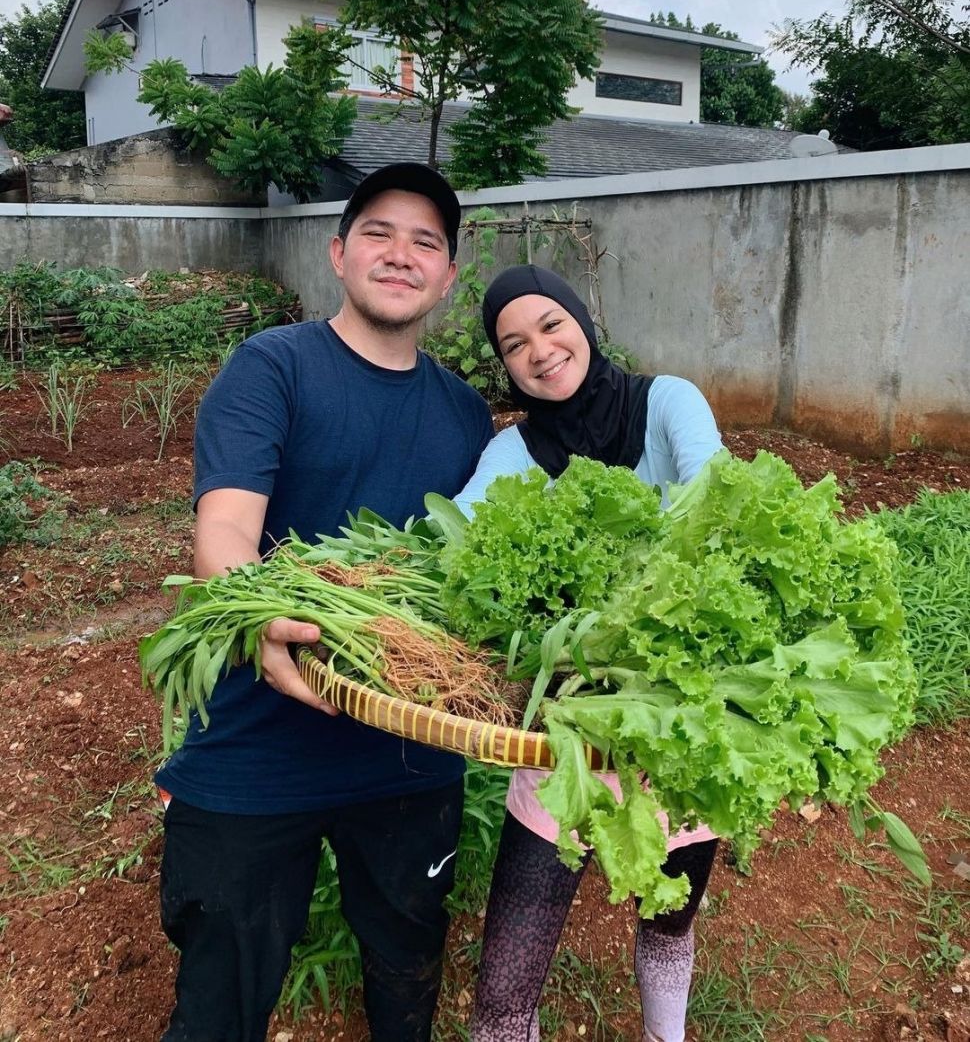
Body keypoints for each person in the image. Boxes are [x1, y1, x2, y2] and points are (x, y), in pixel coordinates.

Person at [154, 162, 495, 1042]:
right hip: (258, 739)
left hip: (411, 743)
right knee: (224, 975)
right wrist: (256, 615)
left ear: (448, 278)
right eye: (379, 233)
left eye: (427, 242)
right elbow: (226, 526)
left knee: (408, 956)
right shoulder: (273, 367)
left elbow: (476, 574)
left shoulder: (464, 413)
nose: (401, 254)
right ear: (339, 253)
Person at [453, 264, 723, 1042]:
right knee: (504, 991)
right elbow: (452, 539)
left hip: (686, 726)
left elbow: (713, 501)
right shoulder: (516, 455)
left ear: (582, 321)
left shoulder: (666, 401)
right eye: (513, 344)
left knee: (667, 924)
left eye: (550, 324)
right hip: (571, 732)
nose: (538, 350)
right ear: (503, 364)